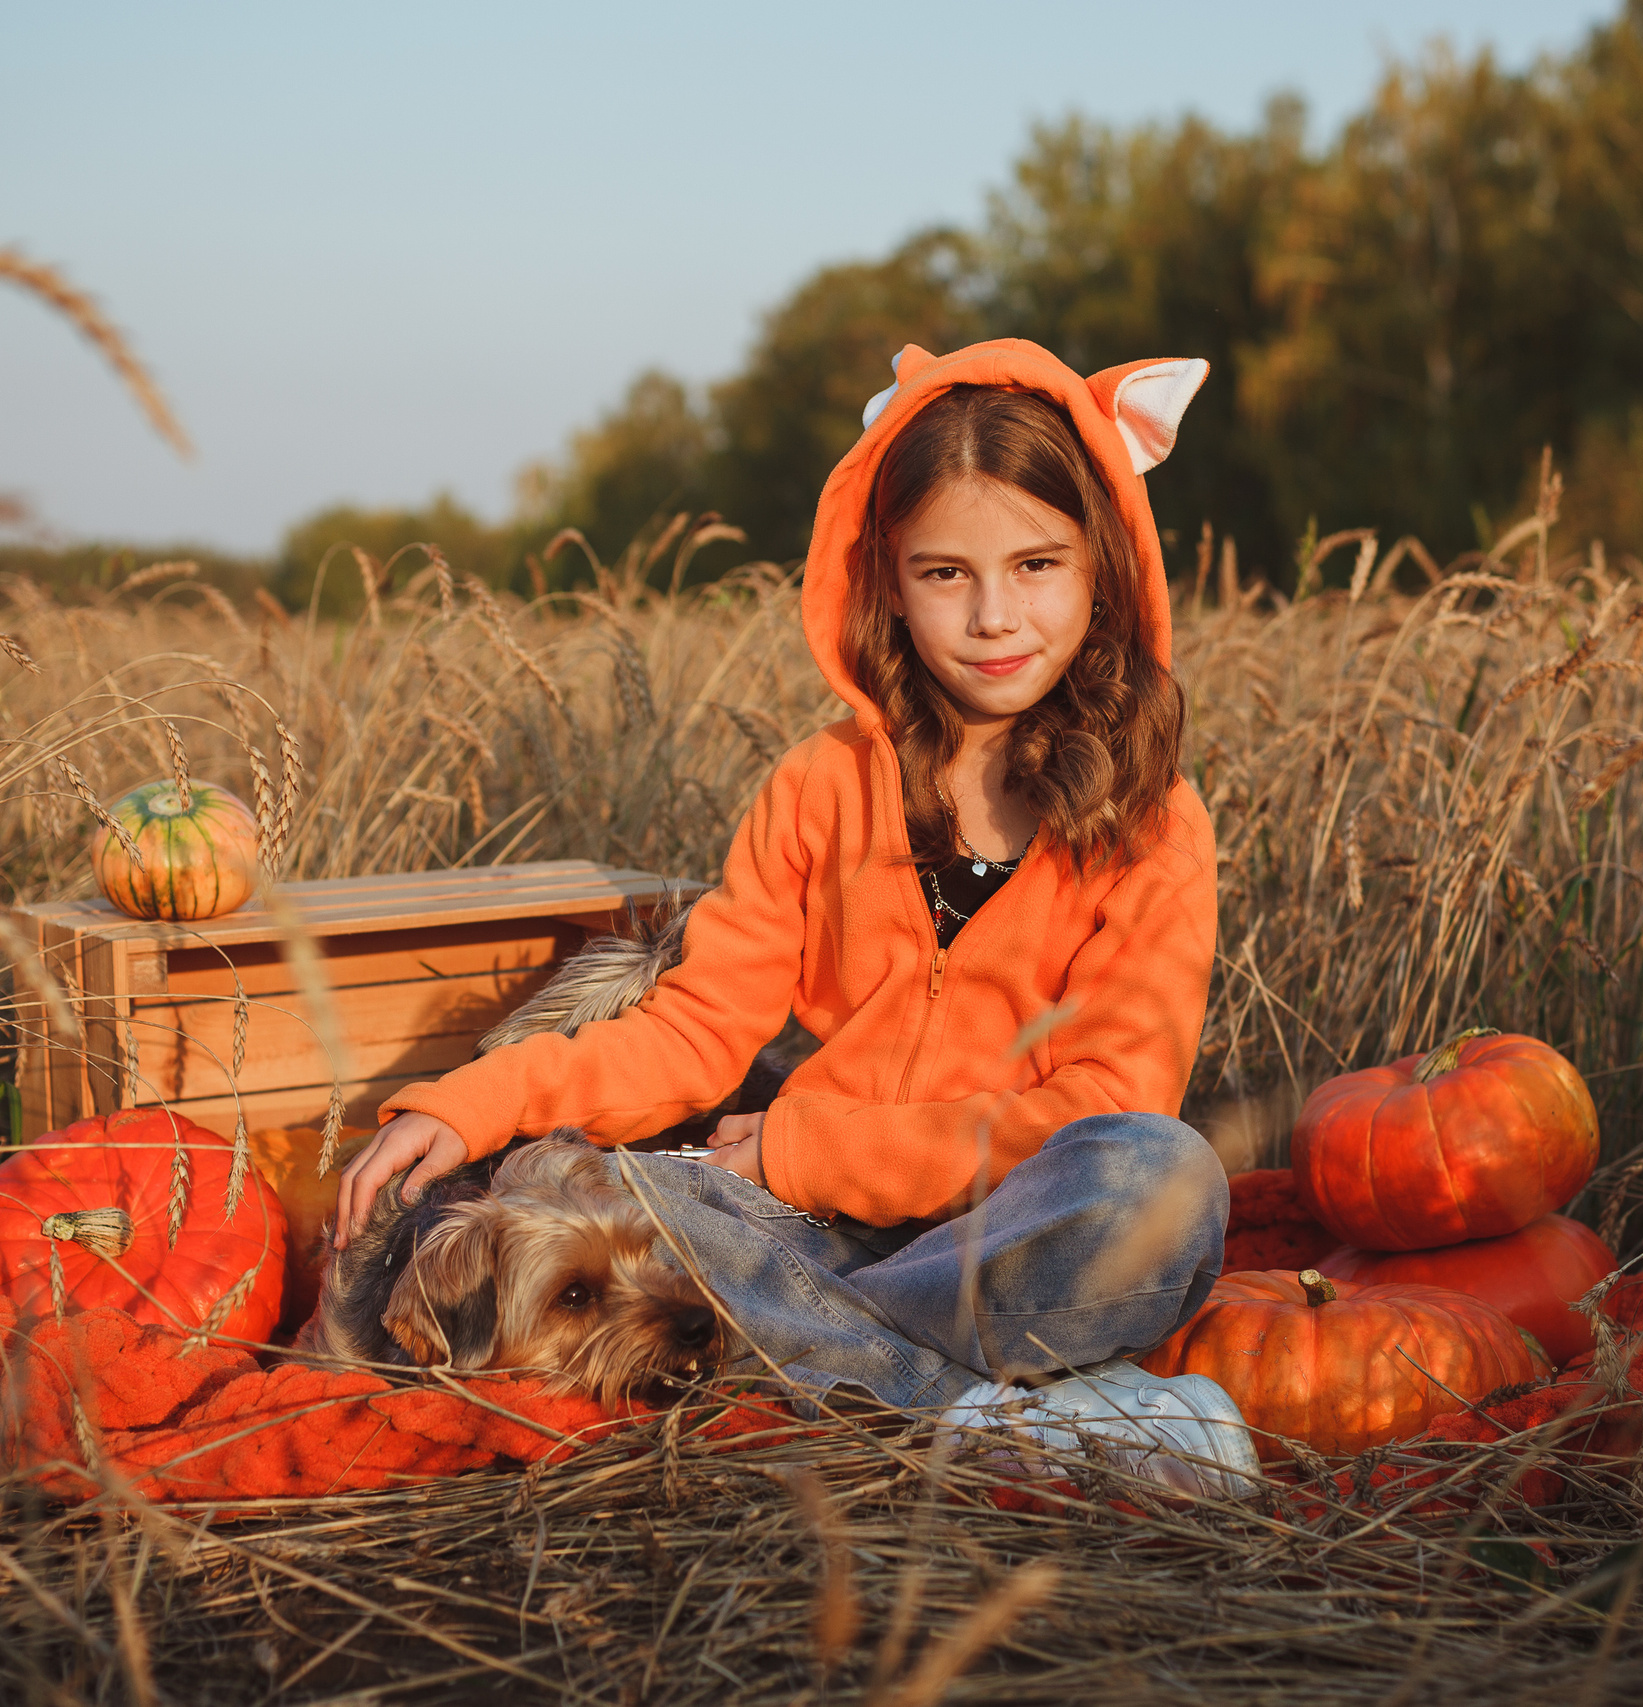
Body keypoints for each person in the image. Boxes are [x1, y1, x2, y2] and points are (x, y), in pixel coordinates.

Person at [336, 339, 1255, 1493]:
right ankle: (989, 1415)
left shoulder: (1154, 823)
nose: (993, 616)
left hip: (1007, 1231)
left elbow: (1103, 1102)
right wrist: (473, 1104)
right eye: (945, 573)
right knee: (595, 1192)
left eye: (1036, 565)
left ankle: (826, 1354)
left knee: (1161, 1176)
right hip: (790, 1227)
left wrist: (804, 1148)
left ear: (1104, 567)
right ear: (886, 580)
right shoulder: (821, 787)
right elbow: (695, 1031)